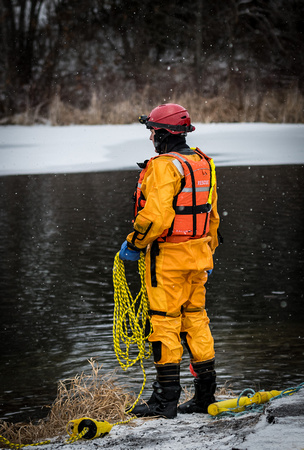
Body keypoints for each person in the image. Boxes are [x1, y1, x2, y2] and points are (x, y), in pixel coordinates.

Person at [119, 103, 220, 419]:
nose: (150, 136)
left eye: (152, 130)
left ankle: (166, 400)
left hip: (168, 259)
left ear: (162, 134)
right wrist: (208, 252)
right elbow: (212, 216)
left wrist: (134, 243)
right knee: (195, 319)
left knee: (163, 322)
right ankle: (205, 395)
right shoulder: (204, 163)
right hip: (199, 253)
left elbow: (157, 216)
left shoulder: (164, 166)